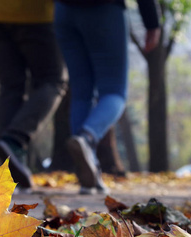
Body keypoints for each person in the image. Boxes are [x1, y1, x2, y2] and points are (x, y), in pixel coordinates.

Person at [54, 0, 161, 194]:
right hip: (104, 10)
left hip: (64, 11)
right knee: (115, 92)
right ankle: (87, 137)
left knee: (81, 94)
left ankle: (90, 174)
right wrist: (152, 22)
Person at [0, 0, 67, 193]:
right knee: (54, 80)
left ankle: (5, 175)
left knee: (10, 86)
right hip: (35, 12)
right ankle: (15, 139)